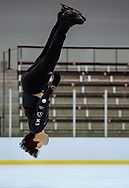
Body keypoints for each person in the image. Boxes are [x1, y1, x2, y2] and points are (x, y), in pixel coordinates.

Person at [19, 5, 86, 158]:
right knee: (48, 51)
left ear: (36, 140)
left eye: (40, 145)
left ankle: (67, 21)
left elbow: (42, 104)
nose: (43, 144)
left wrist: (53, 87)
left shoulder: (36, 127)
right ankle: (61, 18)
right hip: (30, 83)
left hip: (35, 84)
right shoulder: (35, 127)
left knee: (53, 54)